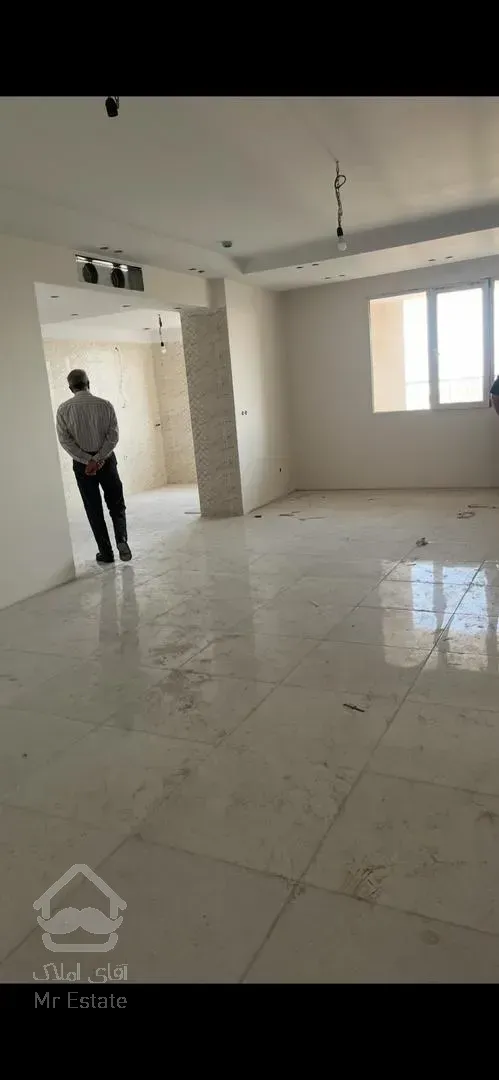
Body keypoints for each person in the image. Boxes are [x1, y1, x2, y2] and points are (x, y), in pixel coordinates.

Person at [56, 369, 132, 564]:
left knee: (93, 508)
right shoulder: (105, 405)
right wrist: (99, 458)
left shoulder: (63, 409)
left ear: (70, 388)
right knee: (116, 503)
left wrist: (87, 460)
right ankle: (122, 539)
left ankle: (106, 553)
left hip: (83, 467)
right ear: (88, 383)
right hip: (107, 461)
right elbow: (113, 436)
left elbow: (65, 441)